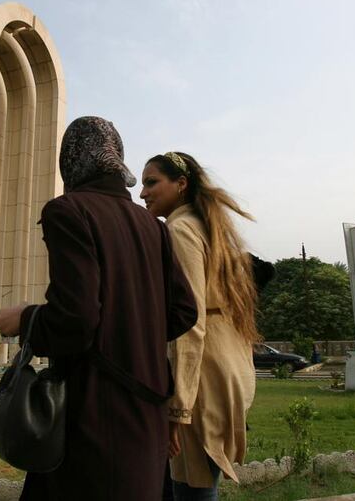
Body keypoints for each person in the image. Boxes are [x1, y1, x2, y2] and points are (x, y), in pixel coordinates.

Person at [0, 117, 198, 501]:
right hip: (147, 412)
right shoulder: (151, 225)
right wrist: (132, 331)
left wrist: (24, 318)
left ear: (70, 160)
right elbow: (184, 311)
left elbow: (76, 321)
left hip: (95, 417)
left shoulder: (68, 211)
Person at [140, 151, 258, 500]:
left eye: (151, 183)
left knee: (193, 485)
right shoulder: (206, 225)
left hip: (201, 374)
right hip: (226, 364)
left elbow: (189, 322)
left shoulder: (179, 229)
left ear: (180, 184)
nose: (143, 193)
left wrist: (180, 407)